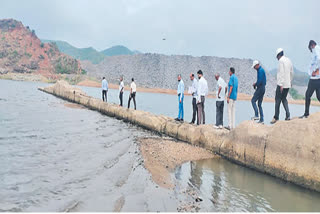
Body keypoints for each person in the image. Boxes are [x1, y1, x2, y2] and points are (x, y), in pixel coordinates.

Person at [270, 48, 294, 124]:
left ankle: (276, 117)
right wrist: (290, 81)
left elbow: (281, 73)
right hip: (287, 84)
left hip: (281, 84)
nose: (277, 58)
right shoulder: (289, 60)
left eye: (277, 56)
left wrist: (281, 84)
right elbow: (292, 72)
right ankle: (288, 115)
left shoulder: (281, 61)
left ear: (279, 55)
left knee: (277, 100)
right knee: (284, 99)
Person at [300, 40, 320, 119]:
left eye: (310, 49)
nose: (311, 50)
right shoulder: (317, 49)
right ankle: (306, 113)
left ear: (312, 45)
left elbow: (319, 59)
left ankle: (306, 113)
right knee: (319, 96)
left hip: (314, 78)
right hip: (317, 78)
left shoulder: (316, 49)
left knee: (307, 95)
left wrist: (316, 70)